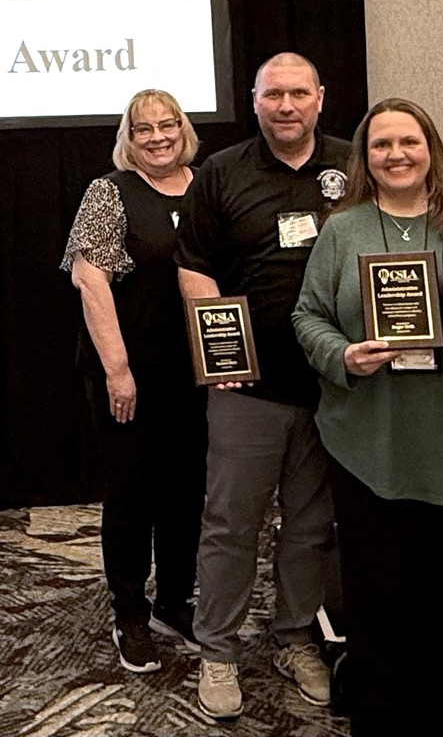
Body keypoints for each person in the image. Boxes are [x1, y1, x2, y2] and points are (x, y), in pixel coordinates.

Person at [174, 52, 350, 719]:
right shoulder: (222, 173)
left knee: (310, 526)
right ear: (254, 100)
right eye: (273, 94)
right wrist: (218, 354)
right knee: (231, 523)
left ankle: (294, 637)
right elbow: (193, 267)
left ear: (320, 97)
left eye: (298, 93)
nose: (286, 105)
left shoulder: (352, 165)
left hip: (335, 388)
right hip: (249, 388)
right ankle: (217, 649)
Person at [293, 97, 443, 737]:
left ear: (432, 150)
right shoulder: (342, 230)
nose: (396, 155)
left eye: (409, 142)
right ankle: (382, 718)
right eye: (381, 145)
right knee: (376, 592)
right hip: (365, 435)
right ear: (364, 157)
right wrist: (343, 354)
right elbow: (306, 315)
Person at [61, 89, 206, 673]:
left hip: (195, 375)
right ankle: (130, 613)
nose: (157, 137)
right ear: (129, 136)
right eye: (143, 129)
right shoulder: (110, 191)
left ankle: (175, 599)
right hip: (129, 375)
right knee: (130, 497)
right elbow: (89, 280)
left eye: (167, 125)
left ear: (183, 128)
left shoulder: (208, 184)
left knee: (186, 492)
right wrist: (119, 373)